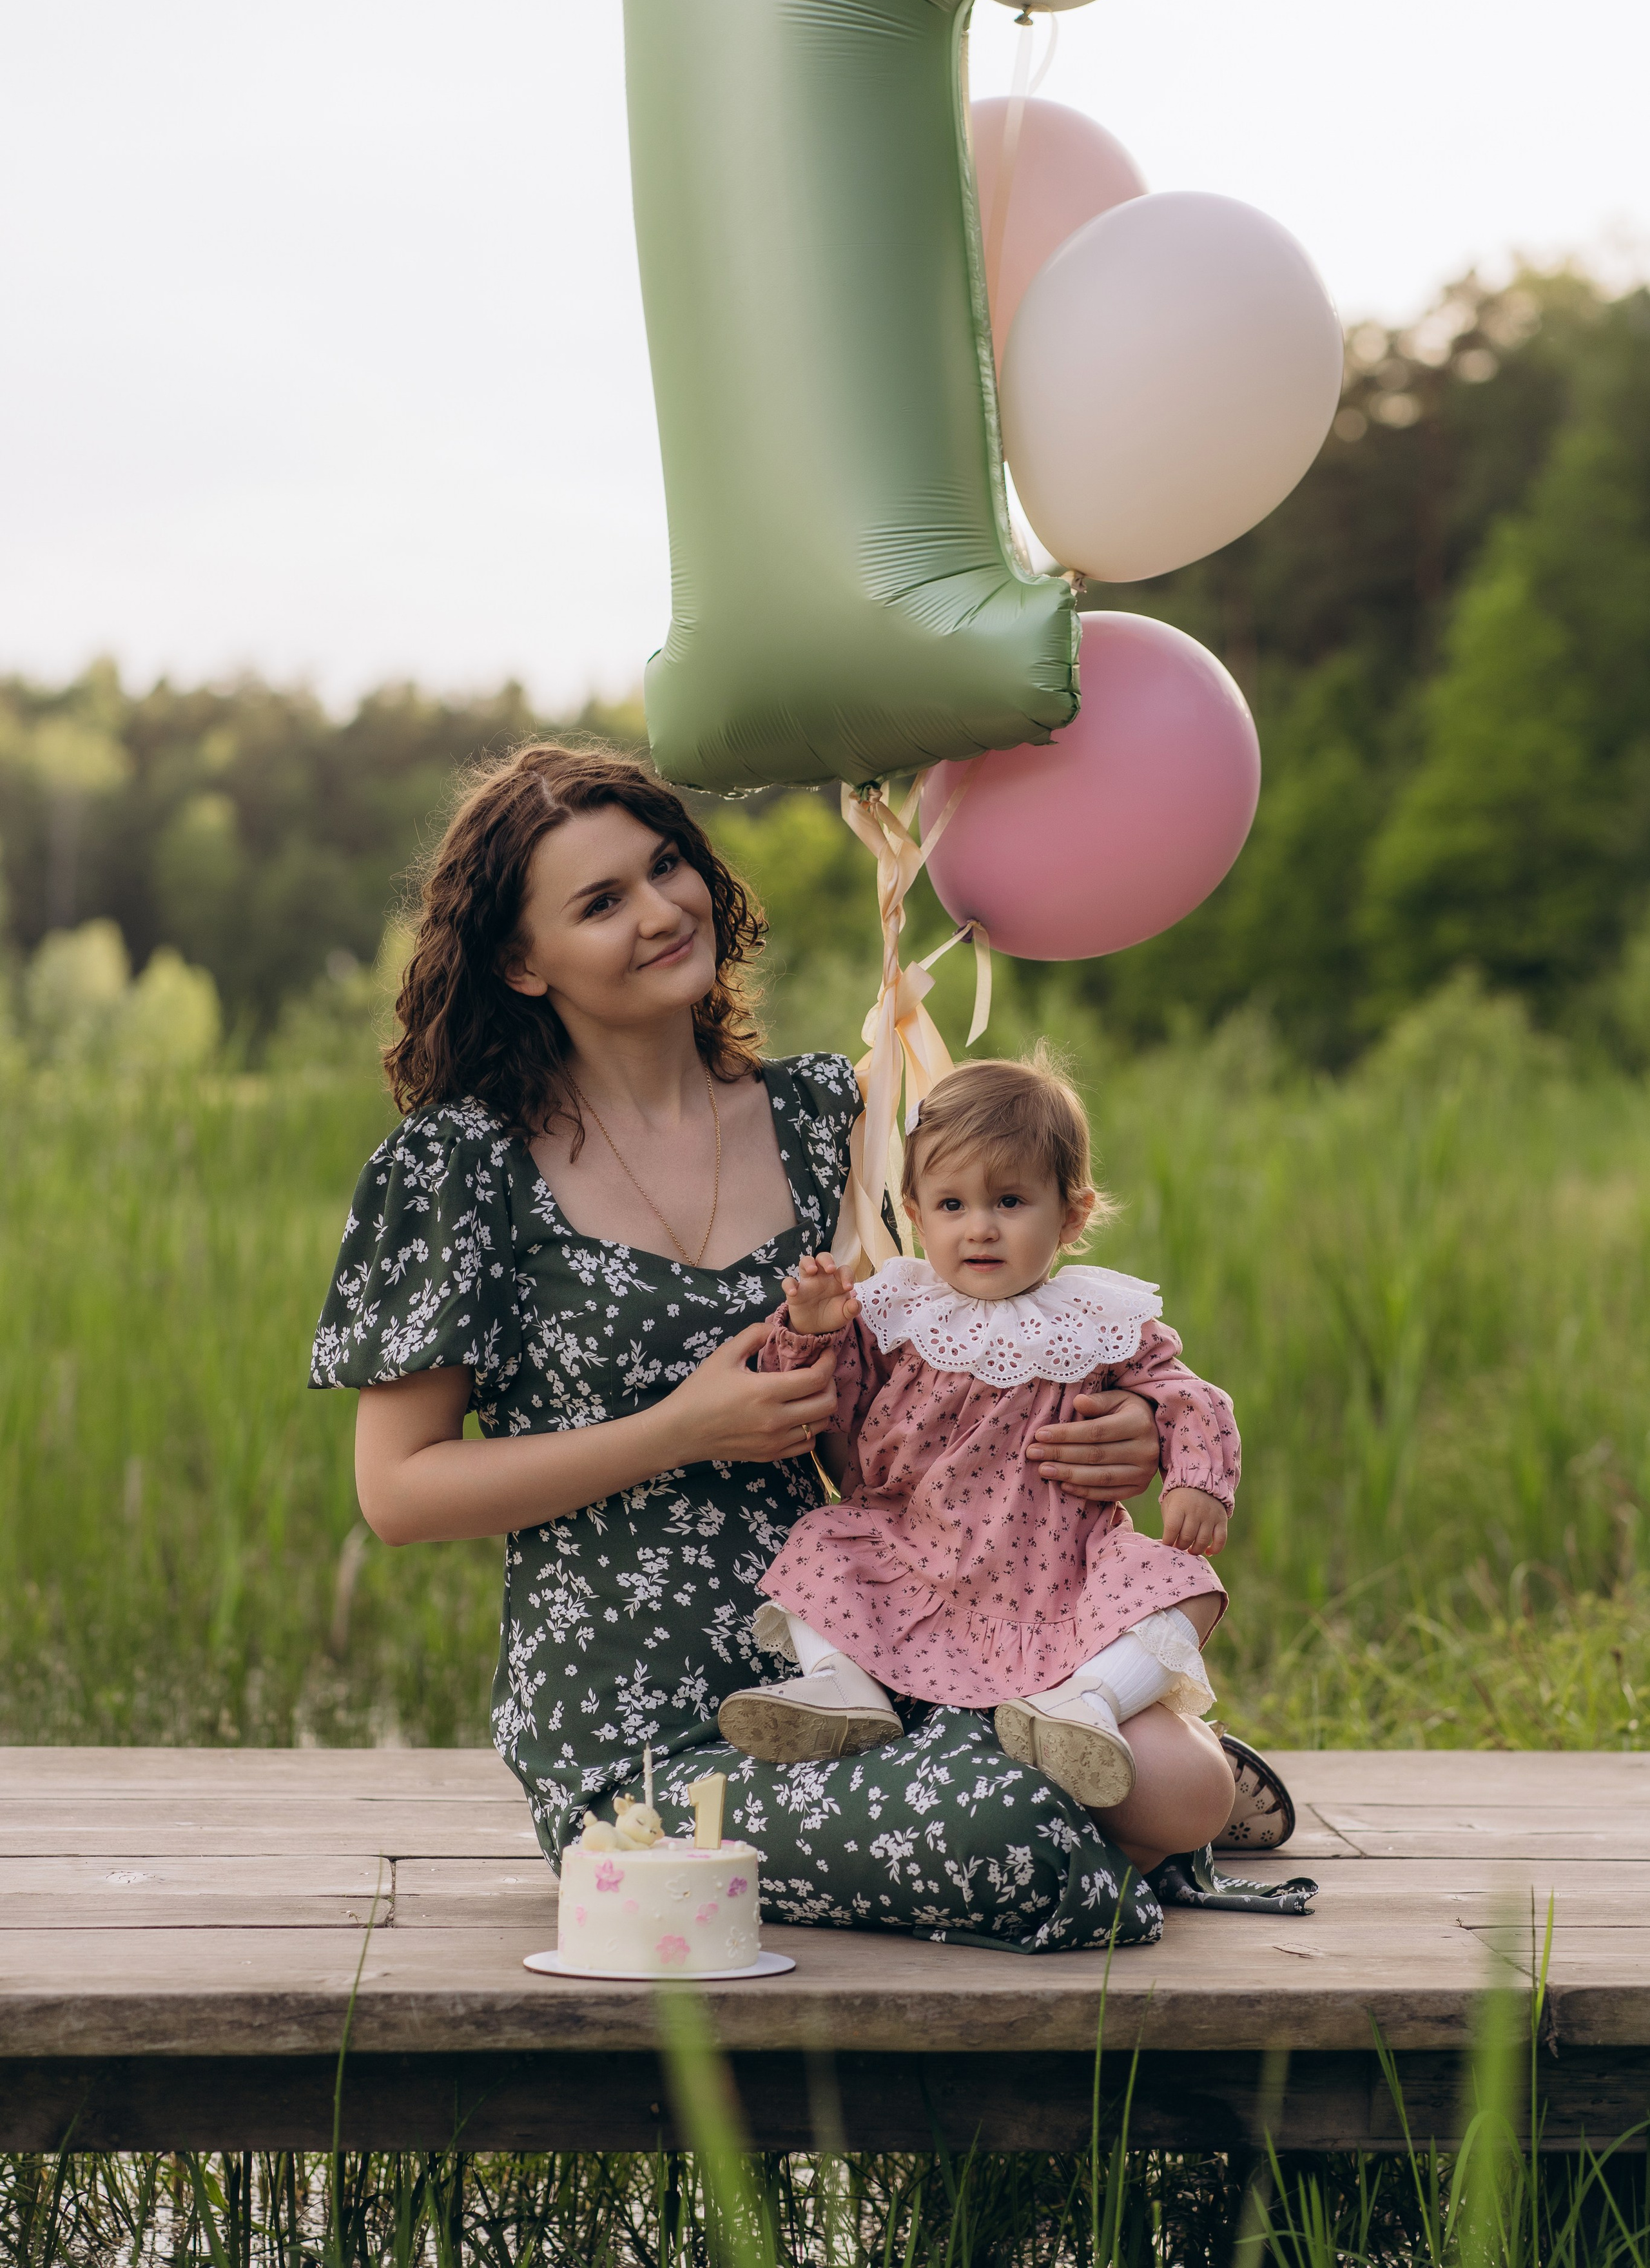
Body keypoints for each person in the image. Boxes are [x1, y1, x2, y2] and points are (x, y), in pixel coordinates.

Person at [312, 741, 1303, 1953]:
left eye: (666, 865)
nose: (664, 909)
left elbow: (956, 1352)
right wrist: (680, 1429)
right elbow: (399, 1494)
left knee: (1165, 1781)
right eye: (601, 901)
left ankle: (1117, 1771)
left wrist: (1129, 1423)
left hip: (906, 1642)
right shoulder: (458, 1167)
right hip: (652, 1717)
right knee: (1010, 1831)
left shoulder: (829, 1115)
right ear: (523, 962)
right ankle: (1081, 1812)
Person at [719, 1054, 1235, 1844]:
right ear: (916, 1216)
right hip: (911, 1558)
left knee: (1186, 1582)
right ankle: (841, 1685)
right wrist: (817, 1331)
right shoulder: (896, 1312)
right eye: (952, 1203)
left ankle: (1087, 1701)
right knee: (822, 1539)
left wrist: (1195, 1477)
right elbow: (833, 1418)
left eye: (1011, 1200)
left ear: (1070, 1215)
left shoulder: (1097, 1320)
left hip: (1058, 1578)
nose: (980, 1226)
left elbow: (1186, 1395)